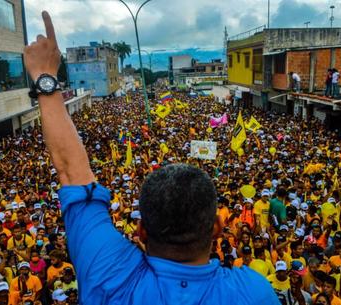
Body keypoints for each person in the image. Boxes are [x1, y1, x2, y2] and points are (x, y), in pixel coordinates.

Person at [23, 11, 280, 305]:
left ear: (141, 230)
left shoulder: (111, 276)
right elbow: (71, 173)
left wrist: (45, 79)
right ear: (217, 230)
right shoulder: (253, 292)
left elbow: (71, 172)